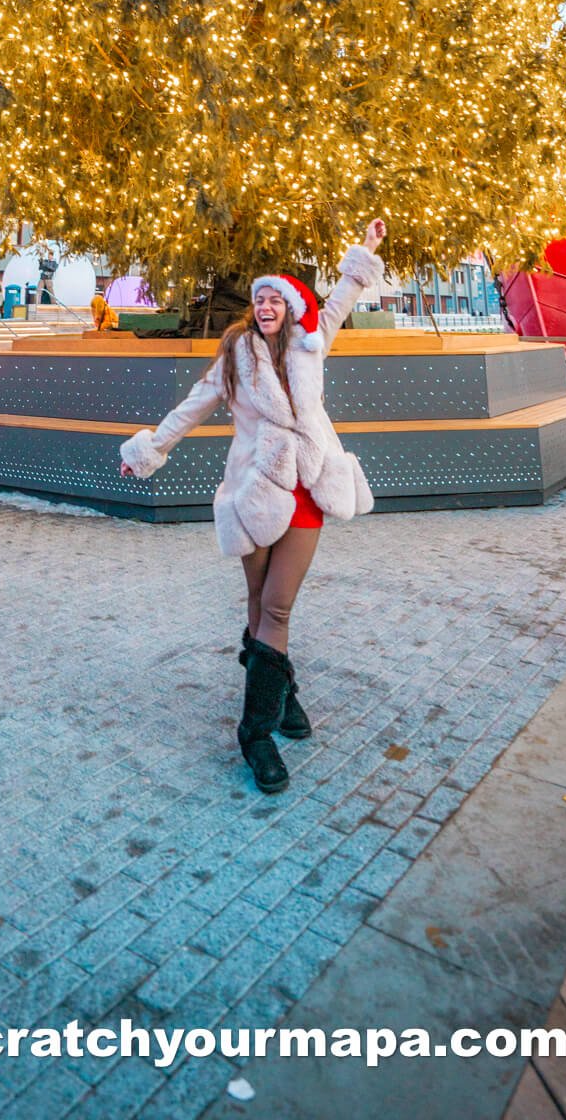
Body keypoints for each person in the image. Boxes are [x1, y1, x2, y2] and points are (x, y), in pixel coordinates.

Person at [120, 218, 386, 794]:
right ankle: (283, 690)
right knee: (258, 602)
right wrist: (149, 450)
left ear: (289, 307)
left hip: (308, 488)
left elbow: (340, 298)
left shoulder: (312, 343)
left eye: (275, 298)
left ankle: (256, 733)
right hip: (256, 489)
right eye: (258, 297)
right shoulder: (236, 353)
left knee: (279, 607)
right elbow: (193, 405)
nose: (265, 304)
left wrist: (363, 251)